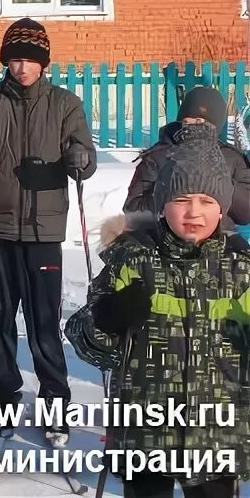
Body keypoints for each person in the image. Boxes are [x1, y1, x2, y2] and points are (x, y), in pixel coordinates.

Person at [69, 133, 249, 498]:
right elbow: (88, 343)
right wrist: (107, 319)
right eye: (181, 199)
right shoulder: (133, 258)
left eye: (206, 200)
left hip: (217, 433)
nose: (194, 211)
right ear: (162, 204)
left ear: (223, 207)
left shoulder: (241, 268)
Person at [0, 17, 96, 446]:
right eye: (14, 60)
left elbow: (85, 153)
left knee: (43, 322)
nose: (21, 68)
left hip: (42, 229)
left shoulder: (66, 105)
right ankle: (4, 396)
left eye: (30, 60)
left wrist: (77, 159)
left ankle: (54, 402)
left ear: (44, 63)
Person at [125, 85, 250, 228]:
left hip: (220, 242)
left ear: (216, 125)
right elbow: (132, 209)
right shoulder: (159, 155)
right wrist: (170, 190)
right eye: (188, 120)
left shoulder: (232, 158)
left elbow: (245, 214)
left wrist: (220, 181)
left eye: (201, 122)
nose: (194, 127)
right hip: (164, 242)